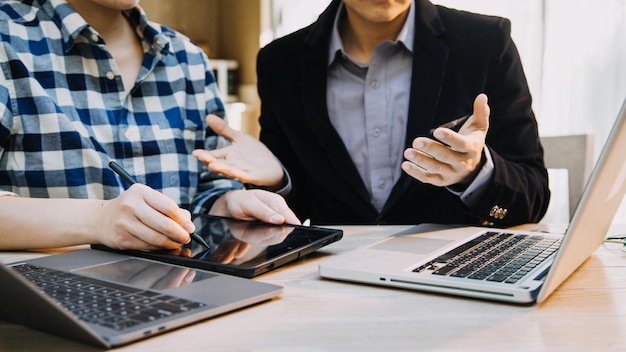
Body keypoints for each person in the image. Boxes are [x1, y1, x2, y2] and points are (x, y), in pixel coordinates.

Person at [194, 0, 552, 227]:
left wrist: (475, 173)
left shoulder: (485, 42)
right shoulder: (280, 62)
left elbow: (533, 195)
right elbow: (297, 205)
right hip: (331, 283)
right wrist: (277, 180)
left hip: (457, 279)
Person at [0, 0, 299, 251]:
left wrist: (226, 206)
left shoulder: (187, 58)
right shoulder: (6, 38)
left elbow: (206, 189)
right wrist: (98, 220)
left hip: (182, 297)